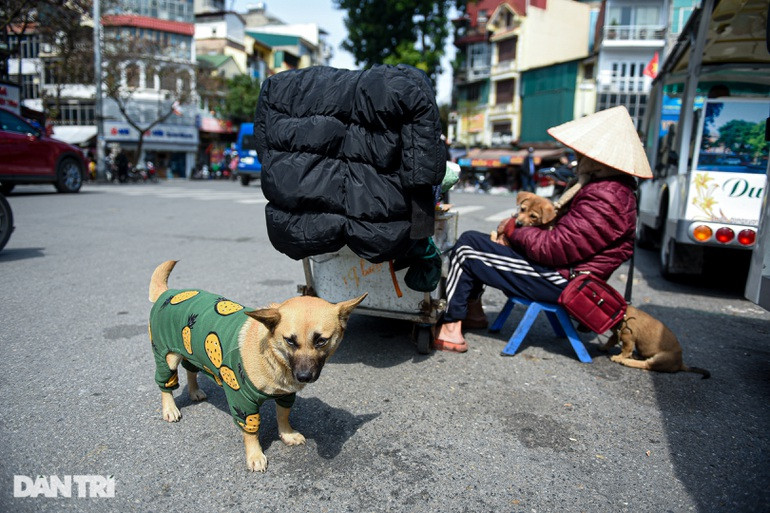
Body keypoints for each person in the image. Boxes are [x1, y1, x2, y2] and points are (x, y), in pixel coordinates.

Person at [433, 106, 653, 352]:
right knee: (477, 239)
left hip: (563, 280)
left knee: (468, 249)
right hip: (568, 274)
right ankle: (472, 313)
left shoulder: (605, 195)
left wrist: (513, 229)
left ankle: (451, 328)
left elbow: (555, 248)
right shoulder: (609, 190)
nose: (576, 156)